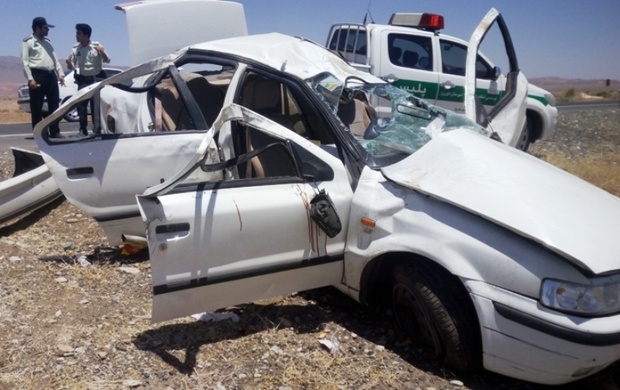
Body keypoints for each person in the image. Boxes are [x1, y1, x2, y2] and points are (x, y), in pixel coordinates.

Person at [21, 17, 65, 138]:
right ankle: (39, 134)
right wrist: (30, 79)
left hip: (51, 76)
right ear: (37, 28)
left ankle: (55, 131)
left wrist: (60, 74)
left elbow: (55, 59)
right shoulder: (28, 42)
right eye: (45, 28)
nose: (47, 30)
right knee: (37, 106)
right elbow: (25, 62)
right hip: (37, 75)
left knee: (54, 105)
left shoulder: (48, 42)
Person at [66, 23, 110, 135]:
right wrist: (69, 64)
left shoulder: (96, 45)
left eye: (79, 33)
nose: (76, 36)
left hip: (95, 79)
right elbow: (72, 65)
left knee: (95, 105)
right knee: (81, 105)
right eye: (76, 33)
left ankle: (97, 129)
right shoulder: (76, 48)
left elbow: (107, 60)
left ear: (86, 35)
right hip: (83, 80)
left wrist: (102, 52)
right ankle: (83, 129)